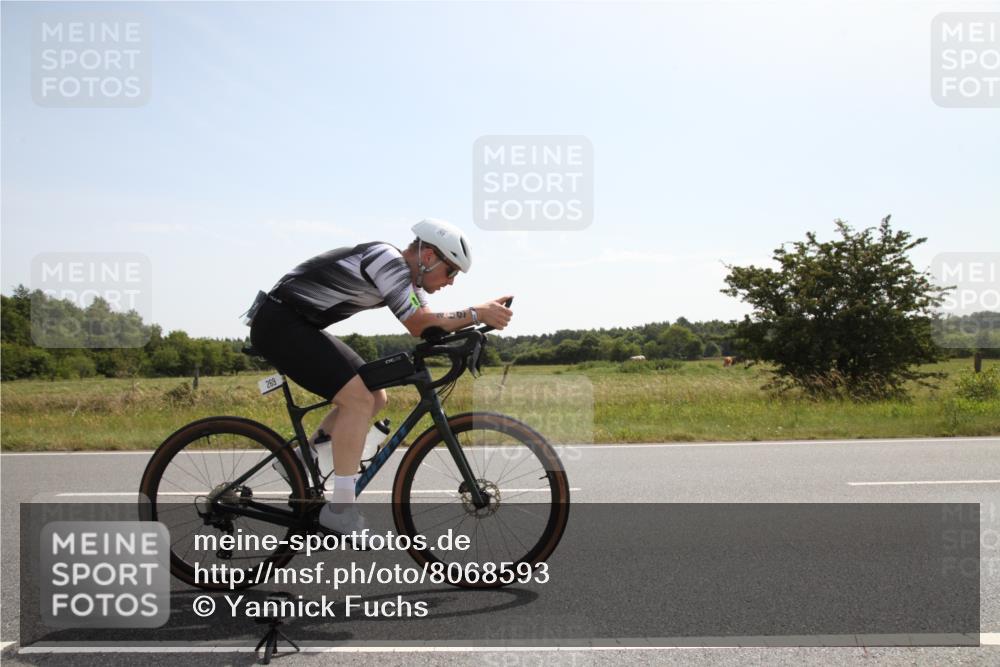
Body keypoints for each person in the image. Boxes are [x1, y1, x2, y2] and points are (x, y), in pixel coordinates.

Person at [248, 218, 513, 536]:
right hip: (279, 323)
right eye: (451, 271)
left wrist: (473, 327)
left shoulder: (408, 282)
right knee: (358, 401)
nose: (451, 282)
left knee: (375, 395)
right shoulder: (387, 260)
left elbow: (429, 326)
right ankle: (340, 510)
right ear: (429, 256)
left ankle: (299, 463)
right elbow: (419, 323)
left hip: (298, 324)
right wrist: (476, 313)